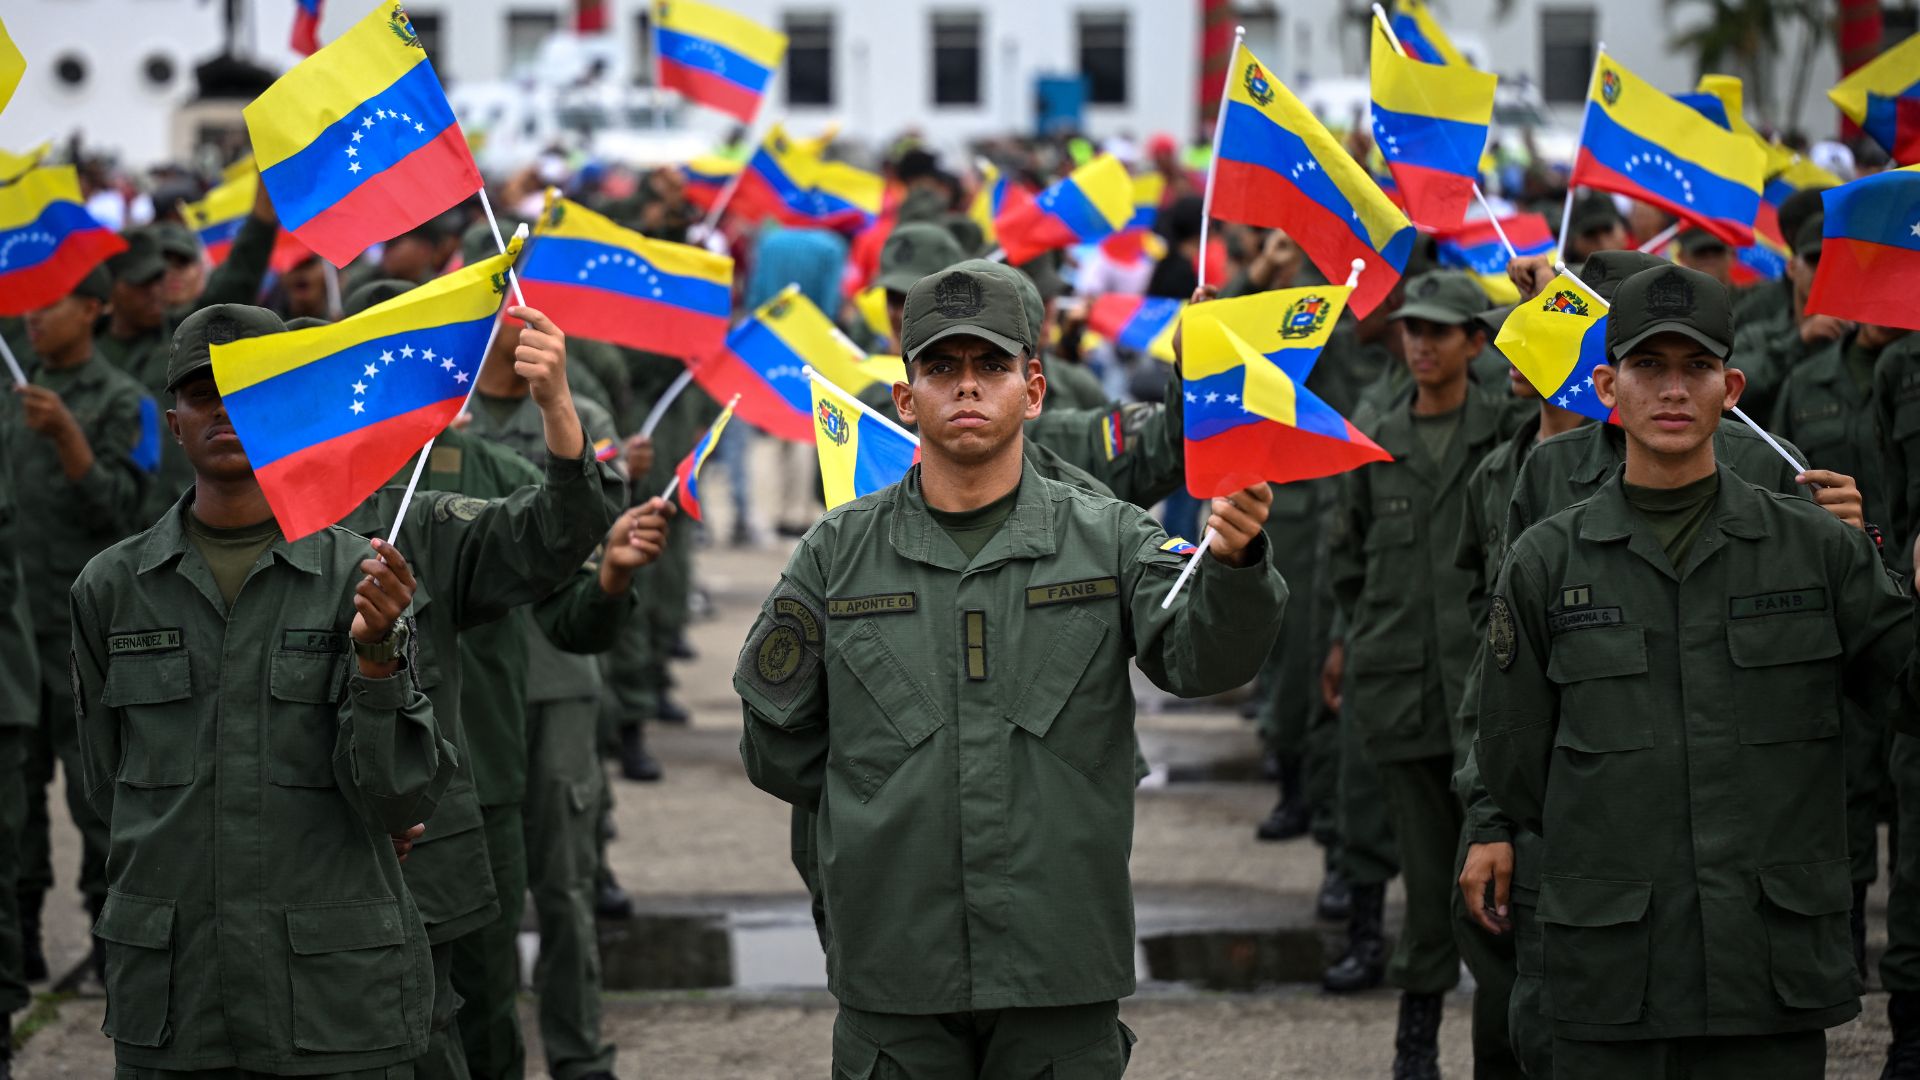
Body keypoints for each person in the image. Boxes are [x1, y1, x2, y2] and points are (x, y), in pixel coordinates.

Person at [737, 266, 1285, 1076]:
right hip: (898, 959)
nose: (967, 386)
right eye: (941, 367)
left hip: (1057, 951)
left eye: (991, 366)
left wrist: (1236, 567)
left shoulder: (1108, 537)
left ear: (1032, 392)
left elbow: (1200, 658)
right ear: (905, 398)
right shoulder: (837, 553)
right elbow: (775, 743)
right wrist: (884, 813)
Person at [1477, 264, 1919, 1079]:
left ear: (1731, 388)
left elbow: (1907, 695)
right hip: (1615, 973)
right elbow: (1513, 764)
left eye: (1697, 367)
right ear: (1607, 386)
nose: (1673, 390)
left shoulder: (1817, 550)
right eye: (1648, 366)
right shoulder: (1547, 561)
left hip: (1765, 971)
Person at [70, 306, 453, 1075]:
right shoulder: (112, 587)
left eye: (253, 388)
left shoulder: (357, 578)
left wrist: (376, 655)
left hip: (330, 1005)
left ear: (294, 410)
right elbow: (109, 788)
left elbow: (400, 797)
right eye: (203, 394)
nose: (226, 410)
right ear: (175, 424)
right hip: (180, 998)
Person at [1323, 270, 1513, 1078]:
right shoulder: (1376, 437)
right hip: (1403, 693)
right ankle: (1416, 1046)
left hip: (1491, 701)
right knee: (1430, 882)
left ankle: (1503, 1055)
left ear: (1476, 341)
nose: (1421, 344)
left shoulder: (1507, 436)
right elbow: (1347, 565)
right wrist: (1352, 644)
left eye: (1440, 330)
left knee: (1500, 895)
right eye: (1413, 329)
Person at [458, 306, 630, 1080]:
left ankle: (578, 1053)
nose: (516, 316)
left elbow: (601, 519)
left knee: (564, 884)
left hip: (555, 675)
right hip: (467, 682)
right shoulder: (442, 410)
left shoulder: (574, 412)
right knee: (473, 896)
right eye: (498, 302)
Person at [4, 265, 157, 987]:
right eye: (28, 304)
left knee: (99, 795)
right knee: (14, 800)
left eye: (51, 302)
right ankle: (19, 941)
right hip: (15, 634)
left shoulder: (127, 402)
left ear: (92, 308)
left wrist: (70, 439)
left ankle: (110, 942)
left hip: (85, 635)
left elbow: (130, 514)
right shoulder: (11, 395)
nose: (33, 316)